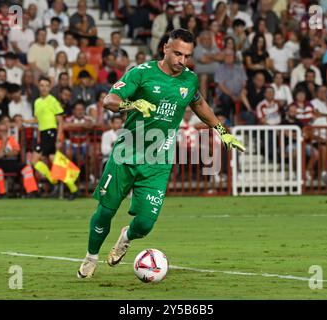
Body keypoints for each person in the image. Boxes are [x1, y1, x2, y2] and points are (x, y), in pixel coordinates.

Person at [77, 28, 245, 278]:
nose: (182, 61)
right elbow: (109, 101)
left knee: (145, 223)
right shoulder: (140, 73)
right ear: (165, 48)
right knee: (106, 210)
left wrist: (222, 130)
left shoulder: (189, 79)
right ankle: (91, 257)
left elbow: (199, 104)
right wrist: (131, 104)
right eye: (177, 53)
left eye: (187, 56)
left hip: (158, 161)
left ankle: (126, 237)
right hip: (126, 154)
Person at [30, 76, 78, 200]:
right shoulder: (37, 102)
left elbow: (60, 121)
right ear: (39, 87)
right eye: (42, 85)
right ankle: (68, 184)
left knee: (46, 160)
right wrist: (22, 121)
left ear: (50, 87)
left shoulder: (53, 101)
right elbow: (37, 119)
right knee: (50, 160)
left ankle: (62, 183)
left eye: (46, 85)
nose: (44, 88)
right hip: (43, 133)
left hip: (51, 132)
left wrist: (58, 138)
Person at [0, 123, 38, 197]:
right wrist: (4, 143)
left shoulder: (12, 139)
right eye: (1, 131)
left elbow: (16, 152)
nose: (3, 133)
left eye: (5, 131)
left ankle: (31, 191)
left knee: (27, 168)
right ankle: (2, 193)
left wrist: (4, 153)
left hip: (12, 163)